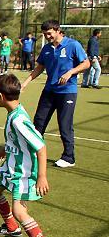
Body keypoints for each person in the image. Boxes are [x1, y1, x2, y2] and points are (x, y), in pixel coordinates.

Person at [0, 73, 57, 237]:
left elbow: (40, 147)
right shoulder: (15, 112)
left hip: (22, 172)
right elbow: (16, 139)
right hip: (10, 165)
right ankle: (11, 227)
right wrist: (4, 148)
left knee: (19, 211)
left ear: (0, 96)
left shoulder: (18, 120)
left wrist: (42, 176)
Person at [21, 20, 90, 168]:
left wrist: (70, 72)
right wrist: (25, 82)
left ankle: (69, 157)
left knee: (64, 124)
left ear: (58, 30)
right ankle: (33, 151)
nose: (47, 36)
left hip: (67, 92)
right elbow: (40, 67)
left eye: (49, 33)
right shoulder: (46, 48)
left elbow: (86, 63)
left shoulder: (73, 45)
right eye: (45, 34)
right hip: (49, 91)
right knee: (39, 122)